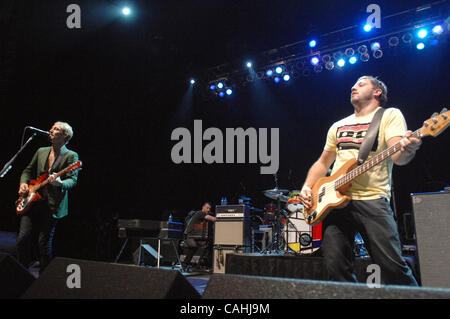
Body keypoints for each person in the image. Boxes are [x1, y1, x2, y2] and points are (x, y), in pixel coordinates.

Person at [299, 76, 420, 285]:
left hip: (372, 199)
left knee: (392, 267)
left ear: (377, 92)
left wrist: (409, 148)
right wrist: (307, 187)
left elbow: (398, 157)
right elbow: (322, 163)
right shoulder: (338, 125)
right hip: (334, 203)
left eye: (361, 84)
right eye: (354, 85)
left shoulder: (389, 116)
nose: (353, 87)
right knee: (336, 268)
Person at [16, 121, 79, 273]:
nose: (51, 130)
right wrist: (23, 184)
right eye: (52, 127)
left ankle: (44, 279)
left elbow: (72, 181)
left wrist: (60, 183)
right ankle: (20, 273)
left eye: (56, 129)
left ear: (65, 135)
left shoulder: (71, 156)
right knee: (22, 239)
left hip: (52, 204)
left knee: (43, 243)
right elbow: (27, 170)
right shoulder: (41, 151)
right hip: (32, 200)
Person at [183, 202, 216, 269]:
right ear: (203, 207)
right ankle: (186, 264)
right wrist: (222, 218)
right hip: (189, 236)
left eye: (209, 208)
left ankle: (203, 264)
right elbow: (212, 219)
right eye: (207, 208)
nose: (208, 210)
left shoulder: (203, 214)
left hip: (196, 236)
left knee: (208, 244)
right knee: (194, 246)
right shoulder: (200, 213)